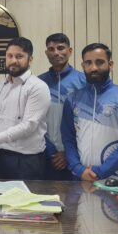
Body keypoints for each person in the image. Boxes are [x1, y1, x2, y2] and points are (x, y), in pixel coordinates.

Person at [0, 37, 51, 180]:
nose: (13, 61)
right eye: (10, 56)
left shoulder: (38, 87)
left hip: (28, 160)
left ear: (30, 59)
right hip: (2, 156)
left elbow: (29, 126)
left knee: (28, 195)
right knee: (1, 194)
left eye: (19, 56)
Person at [61, 43, 118, 182]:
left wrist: (100, 171)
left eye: (99, 62)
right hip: (80, 178)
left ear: (110, 64)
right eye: (88, 63)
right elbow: (68, 138)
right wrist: (78, 169)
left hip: (116, 179)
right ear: (83, 66)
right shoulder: (72, 99)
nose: (94, 68)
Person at [38, 34, 86, 181]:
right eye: (51, 49)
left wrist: (68, 152)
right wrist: (51, 151)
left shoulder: (84, 81)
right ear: (46, 53)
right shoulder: (38, 83)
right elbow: (35, 121)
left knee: (74, 195)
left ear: (70, 51)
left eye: (60, 48)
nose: (56, 53)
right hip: (45, 153)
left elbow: (87, 123)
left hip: (76, 156)